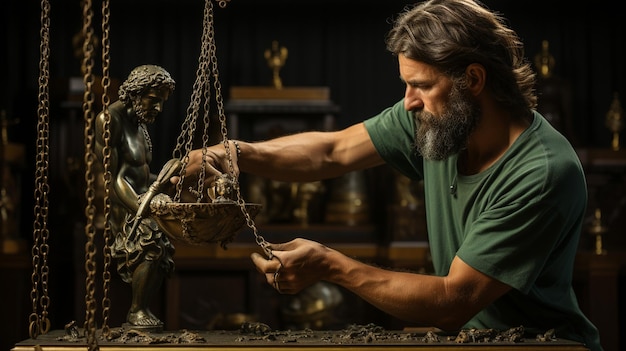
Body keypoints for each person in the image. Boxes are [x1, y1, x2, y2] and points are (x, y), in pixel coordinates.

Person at [179, 0, 602, 349]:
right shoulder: (438, 122)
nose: (408, 102)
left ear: (473, 78)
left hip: (542, 344)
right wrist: (234, 152)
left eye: (421, 84)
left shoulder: (540, 172)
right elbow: (332, 151)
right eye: (405, 84)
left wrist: (331, 265)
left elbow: (454, 300)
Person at [95, 64, 176, 329]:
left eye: (162, 103)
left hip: (142, 199)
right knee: (151, 245)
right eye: (154, 100)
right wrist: (142, 207)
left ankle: (142, 308)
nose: (159, 109)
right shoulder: (110, 120)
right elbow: (113, 177)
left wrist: (169, 184)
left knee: (163, 246)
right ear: (136, 93)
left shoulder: (140, 124)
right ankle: (136, 310)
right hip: (122, 203)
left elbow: (142, 175)